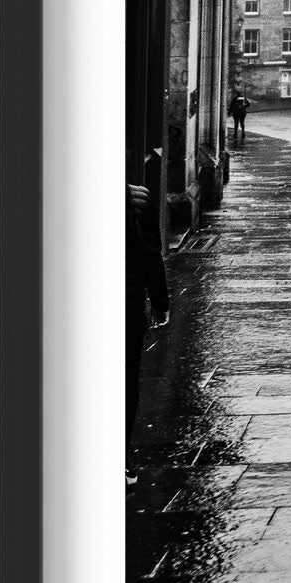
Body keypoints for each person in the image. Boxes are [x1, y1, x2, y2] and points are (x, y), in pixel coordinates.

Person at [126, 177, 169, 466]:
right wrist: (160, 303)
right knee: (126, 380)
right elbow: (153, 254)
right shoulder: (138, 200)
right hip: (126, 308)